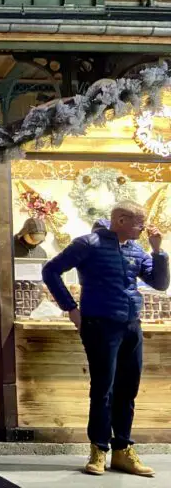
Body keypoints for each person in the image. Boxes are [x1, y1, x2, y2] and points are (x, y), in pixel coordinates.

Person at [42, 201, 167, 477]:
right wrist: (70, 308)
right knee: (103, 389)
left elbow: (160, 284)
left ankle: (122, 450)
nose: (143, 227)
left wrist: (158, 251)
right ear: (120, 220)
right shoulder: (88, 244)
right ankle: (98, 449)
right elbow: (50, 271)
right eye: (138, 222)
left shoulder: (137, 249)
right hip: (99, 325)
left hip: (131, 326)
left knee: (128, 388)